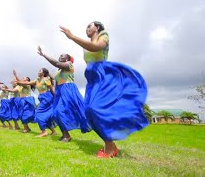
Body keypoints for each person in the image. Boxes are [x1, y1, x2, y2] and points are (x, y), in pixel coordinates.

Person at [59, 21, 149, 158]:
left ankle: (110, 147)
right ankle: (110, 145)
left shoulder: (104, 35)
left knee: (95, 108)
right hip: (91, 78)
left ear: (98, 27)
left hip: (103, 76)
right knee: (88, 111)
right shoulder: (86, 44)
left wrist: (72, 37)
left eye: (90, 25)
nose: (87, 28)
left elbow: (96, 47)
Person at [37, 47, 91, 142]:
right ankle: (65, 134)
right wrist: (56, 94)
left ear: (67, 59)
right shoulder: (59, 70)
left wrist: (44, 54)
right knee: (56, 113)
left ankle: (67, 135)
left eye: (63, 55)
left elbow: (57, 63)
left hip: (68, 89)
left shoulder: (69, 64)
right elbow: (57, 80)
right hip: (60, 91)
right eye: (60, 55)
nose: (60, 56)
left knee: (61, 111)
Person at [16, 68, 57, 137]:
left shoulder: (46, 79)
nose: (38, 72)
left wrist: (55, 98)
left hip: (47, 97)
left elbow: (51, 89)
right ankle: (53, 131)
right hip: (42, 98)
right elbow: (27, 83)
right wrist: (18, 82)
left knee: (38, 113)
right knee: (45, 116)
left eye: (40, 71)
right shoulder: (37, 80)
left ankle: (44, 131)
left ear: (43, 73)